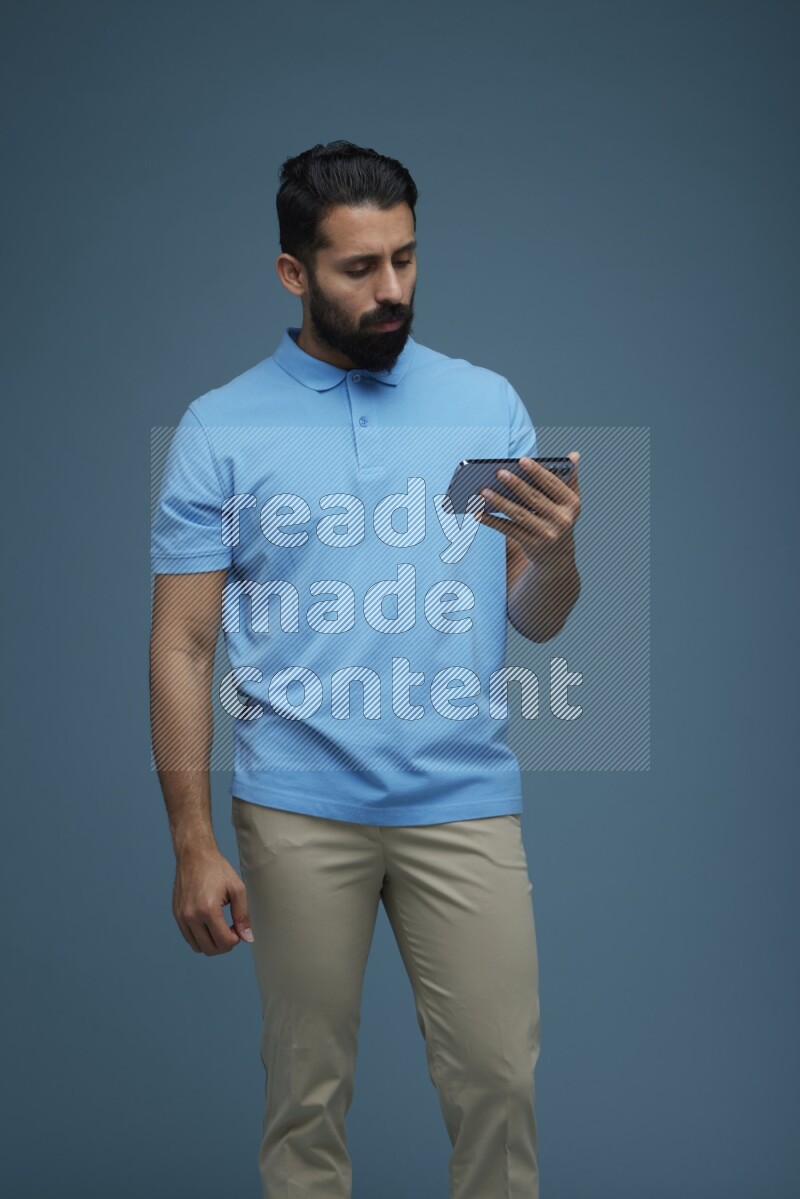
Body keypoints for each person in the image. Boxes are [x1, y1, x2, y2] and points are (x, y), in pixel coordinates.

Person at [150, 139, 581, 1199]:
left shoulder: (486, 403)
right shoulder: (220, 427)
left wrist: (561, 553)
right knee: (304, 1099)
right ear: (294, 273)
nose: (391, 290)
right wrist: (194, 841)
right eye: (358, 268)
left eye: (405, 259)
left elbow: (535, 618)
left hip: (461, 799)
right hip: (295, 807)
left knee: (496, 1087)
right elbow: (183, 643)